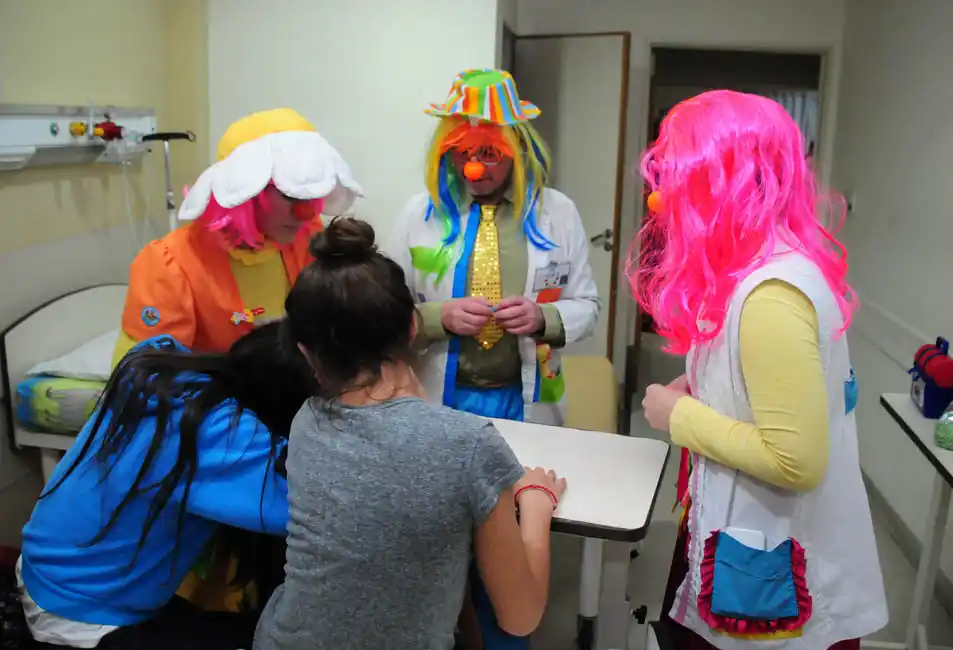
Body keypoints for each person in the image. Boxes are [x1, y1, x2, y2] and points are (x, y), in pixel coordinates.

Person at [634, 90, 887, 649]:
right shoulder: (753, 270)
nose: (661, 198)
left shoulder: (771, 292)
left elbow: (795, 460)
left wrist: (679, 415)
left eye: (676, 174)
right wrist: (705, 389)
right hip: (732, 537)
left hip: (768, 565)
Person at [254, 217, 565, 650]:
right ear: (414, 328)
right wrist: (536, 504)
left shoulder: (308, 421)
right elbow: (519, 617)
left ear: (305, 351)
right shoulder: (467, 445)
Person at [18, 322, 316, 650]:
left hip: (50, 573)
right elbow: (322, 512)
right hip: (83, 616)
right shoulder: (220, 439)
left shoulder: (163, 371)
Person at [391, 68, 600, 428]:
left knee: (524, 482)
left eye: (490, 153)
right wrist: (436, 318)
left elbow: (588, 306)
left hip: (525, 399)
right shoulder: (418, 215)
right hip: (441, 394)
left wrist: (543, 318)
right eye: (462, 152)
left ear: (517, 149)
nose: (473, 169)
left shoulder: (558, 212)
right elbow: (382, 310)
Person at [112, 107, 362, 365]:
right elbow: (146, 380)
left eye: (311, 196)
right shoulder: (171, 266)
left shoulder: (306, 237)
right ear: (247, 192)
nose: (305, 212)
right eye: (290, 195)